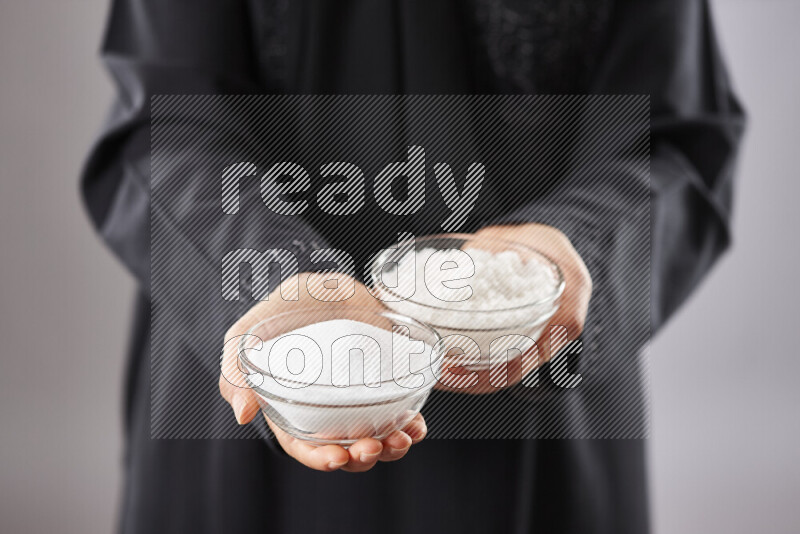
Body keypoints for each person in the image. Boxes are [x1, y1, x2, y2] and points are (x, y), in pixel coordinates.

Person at [81, 1, 745, 532]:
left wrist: (568, 245)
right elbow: (167, 124)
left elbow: (673, 132)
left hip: (542, 385)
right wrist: (278, 278)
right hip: (249, 382)